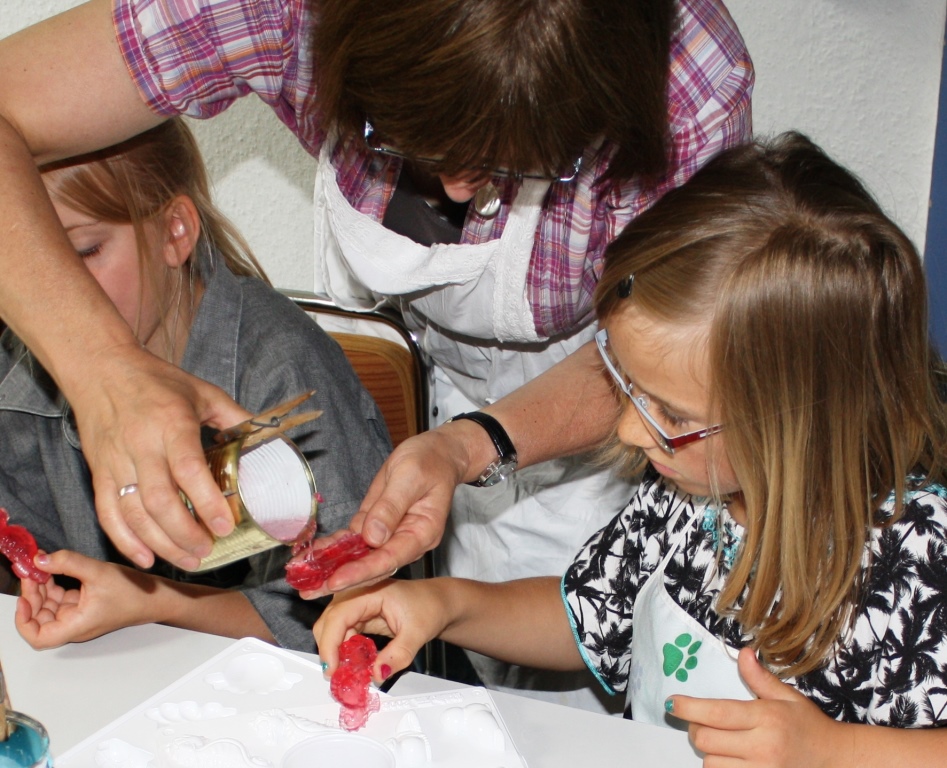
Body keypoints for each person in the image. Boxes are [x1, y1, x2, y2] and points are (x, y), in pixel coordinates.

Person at [0, 0, 751, 709]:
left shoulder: (693, 87)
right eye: (408, 142)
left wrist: (473, 443)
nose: (458, 187)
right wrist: (99, 369)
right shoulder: (276, 11)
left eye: (516, 163)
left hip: (598, 412)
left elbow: (669, 360)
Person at [311, 133, 947, 763]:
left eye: (672, 413)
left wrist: (835, 751)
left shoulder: (916, 556)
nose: (629, 432)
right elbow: (589, 616)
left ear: (799, 420)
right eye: (628, 385)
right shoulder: (692, 489)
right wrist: (445, 606)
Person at [1, 119, 391, 652]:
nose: (60, 294)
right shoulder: (22, 368)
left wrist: (159, 604)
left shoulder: (281, 368)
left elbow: (359, 617)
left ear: (175, 232)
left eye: (85, 252)